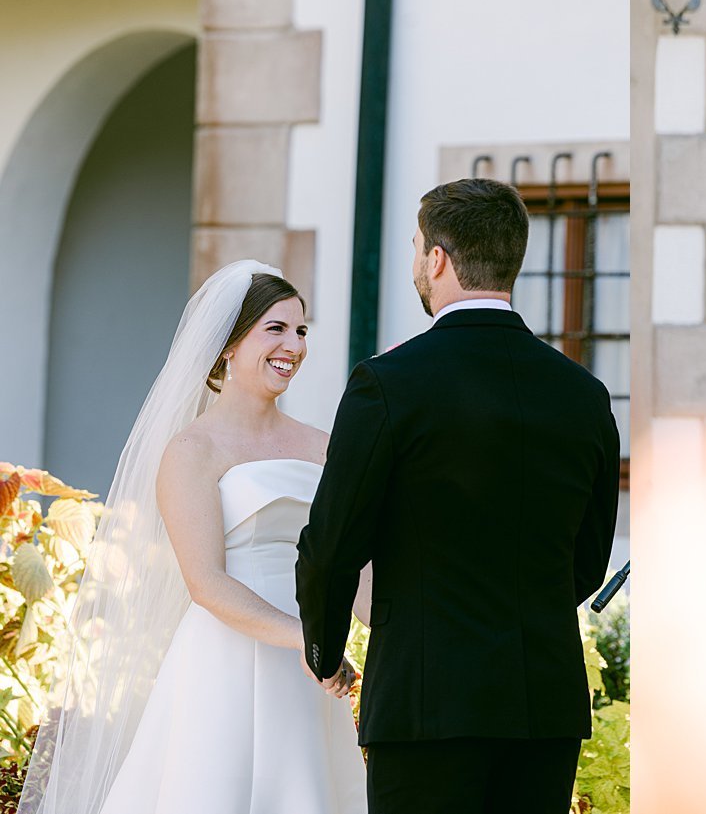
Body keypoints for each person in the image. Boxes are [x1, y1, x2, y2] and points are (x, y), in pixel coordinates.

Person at [296, 178, 621, 814]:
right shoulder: (584, 395)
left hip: (425, 704)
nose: (417, 263)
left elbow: (333, 544)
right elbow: (587, 560)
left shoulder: (387, 384)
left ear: (438, 259)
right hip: (544, 708)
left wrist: (325, 649)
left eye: (417, 248)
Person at [24, 261, 368, 813]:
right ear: (229, 345)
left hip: (311, 667)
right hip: (228, 654)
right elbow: (206, 582)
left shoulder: (324, 446)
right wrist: (310, 640)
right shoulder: (192, 450)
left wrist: (398, 629)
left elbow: (358, 565)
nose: (294, 345)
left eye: (301, 330)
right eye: (275, 329)